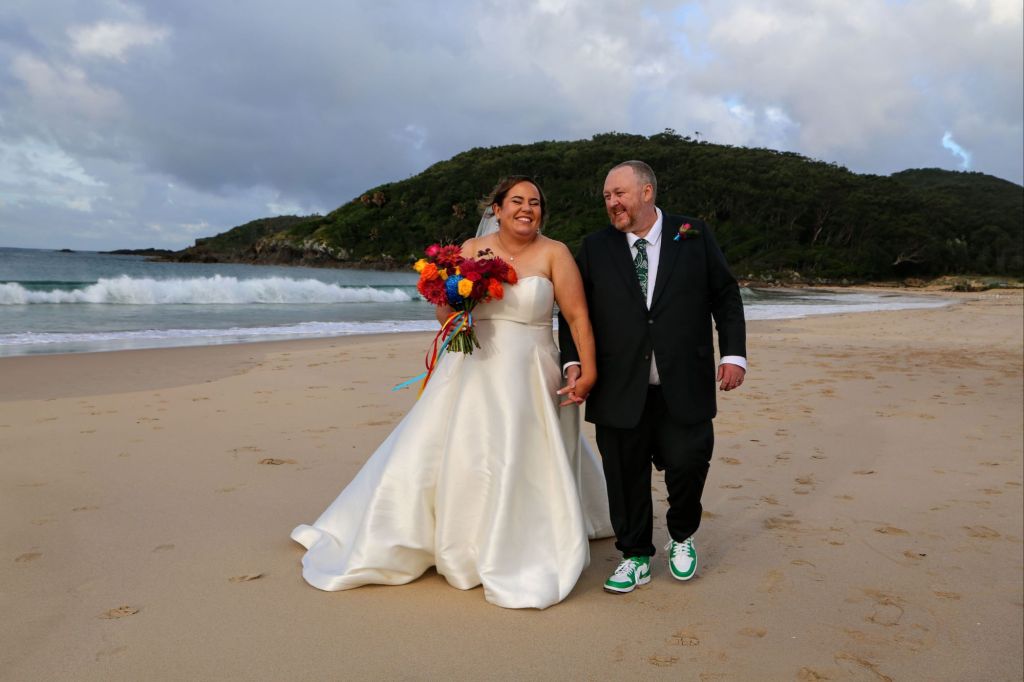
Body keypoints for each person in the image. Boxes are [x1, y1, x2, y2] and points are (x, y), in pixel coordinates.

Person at [291, 176, 613, 609]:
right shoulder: (468, 250)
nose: (527, 209)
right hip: (473, 364)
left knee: (523, 451)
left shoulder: (555, 253)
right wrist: (443, 292)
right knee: (459, 451)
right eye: (516, 201)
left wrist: (588, 370)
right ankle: (455, 541)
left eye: (535, 202)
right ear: (496, 209)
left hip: (533, 369)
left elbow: (577, 318)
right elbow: (447, 316)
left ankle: (521, 539)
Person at [558, 160, 746, 593]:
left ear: (647, 192)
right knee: (624, 475)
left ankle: (681, 536)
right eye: (606, 196)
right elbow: (573, 314)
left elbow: (725, 295)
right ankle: (636, 554)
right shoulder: (595, 247)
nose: (612, 203)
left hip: (684, 380)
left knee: (688, 464)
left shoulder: (692, 234)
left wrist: (734, 353)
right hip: (618, 385)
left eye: (619, 193)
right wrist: (574, 363)